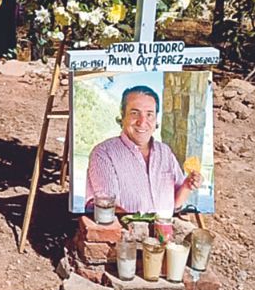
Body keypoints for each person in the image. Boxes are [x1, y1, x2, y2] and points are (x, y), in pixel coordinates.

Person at [84, 86, 203, 214]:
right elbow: (107, 208)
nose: (142, 122)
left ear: (156, 119)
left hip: (165, 230)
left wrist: (187, 185)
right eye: (134, 113)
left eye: (149, 114)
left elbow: (174, 205)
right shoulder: (103, 153)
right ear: (123, 116)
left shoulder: (165, 152)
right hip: (124, 232)